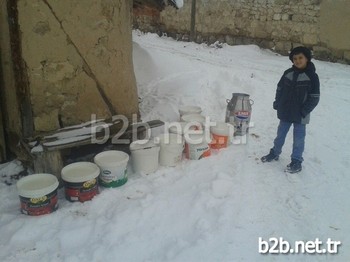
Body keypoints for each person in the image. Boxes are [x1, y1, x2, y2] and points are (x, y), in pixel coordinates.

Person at [261, 46, 320, 173]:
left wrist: (304, 111)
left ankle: (296, 161)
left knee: (299, 139)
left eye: (300, 58)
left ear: (307, 59)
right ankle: (275, 152)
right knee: (280, 135)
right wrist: (277, 102)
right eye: (295, 58)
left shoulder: (312, 77)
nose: (298, 61)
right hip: (286, 111)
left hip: (300, 115)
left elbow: (314, 98)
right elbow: (280, 89)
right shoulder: (288, 73)